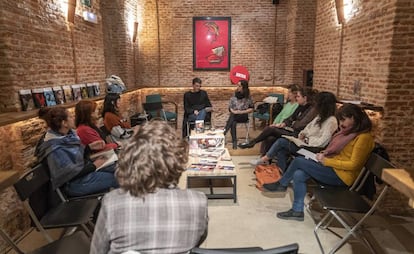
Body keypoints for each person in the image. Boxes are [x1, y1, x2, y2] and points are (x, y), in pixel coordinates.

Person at [90, 121, 208, 254]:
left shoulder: (112, 202)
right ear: (178, 160)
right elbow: (197, 240)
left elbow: (97, 251)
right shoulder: (198, 201)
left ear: (131, 158)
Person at [262, 103, 375, 221]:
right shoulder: (349, 133)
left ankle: (282, 184)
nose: (341, 124)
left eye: (343, 120)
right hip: (334, 169)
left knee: (299, 161)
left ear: (354, 117)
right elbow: (340, 154)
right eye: (340, 120)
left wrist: (326, 161)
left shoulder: (363, 138)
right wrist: (325, 154)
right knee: (298, 174)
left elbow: (353, 165)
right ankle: (297, 211)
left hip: (342, 177)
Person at [35, 106, 118, 197]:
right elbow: (69, 174)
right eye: (70, 117)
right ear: (64, 123)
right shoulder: (54, 148)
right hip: (73, 184)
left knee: (117, 168)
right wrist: (94, 165)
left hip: (84, 171)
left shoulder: (68, 135)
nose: (74, 118)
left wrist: (89, 148)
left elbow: (75, 155)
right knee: (119, 177)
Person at [250, 92, 338, 171]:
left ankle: (263, 159)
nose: (316, 106)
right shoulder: (319, 117)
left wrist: (307, 139)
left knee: (281, 141)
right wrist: (302, 134)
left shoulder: (331, 121)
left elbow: (322, 142)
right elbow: (307, 128)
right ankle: (281, 172)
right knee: (280, 147)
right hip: (303, 141)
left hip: (312, 148)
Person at [239, 87, 318, 154]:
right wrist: (283, 124)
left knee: (270, 129)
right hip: (291, 130)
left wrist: (287, 126)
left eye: (298, 96)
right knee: (270, 137)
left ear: (305, 98)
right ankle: (265, 159)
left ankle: (253, 143)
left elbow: (300, 125)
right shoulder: (300, 106)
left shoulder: (311, 110)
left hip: (297, 134)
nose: (297, 98)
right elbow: (291, 118)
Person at [223, 80, 254, 149]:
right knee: (233, 121)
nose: (237, 87)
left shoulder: (248, 96)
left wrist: (240, 112)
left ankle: (224, 133)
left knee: (232, 117)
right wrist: (233, 111)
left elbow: (252, 108)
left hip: (243, 115)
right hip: (235, 114)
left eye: (239, 86)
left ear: (244, 87)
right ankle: (234, 142)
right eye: (237, 85)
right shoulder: (235, 94)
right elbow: (230, 106)